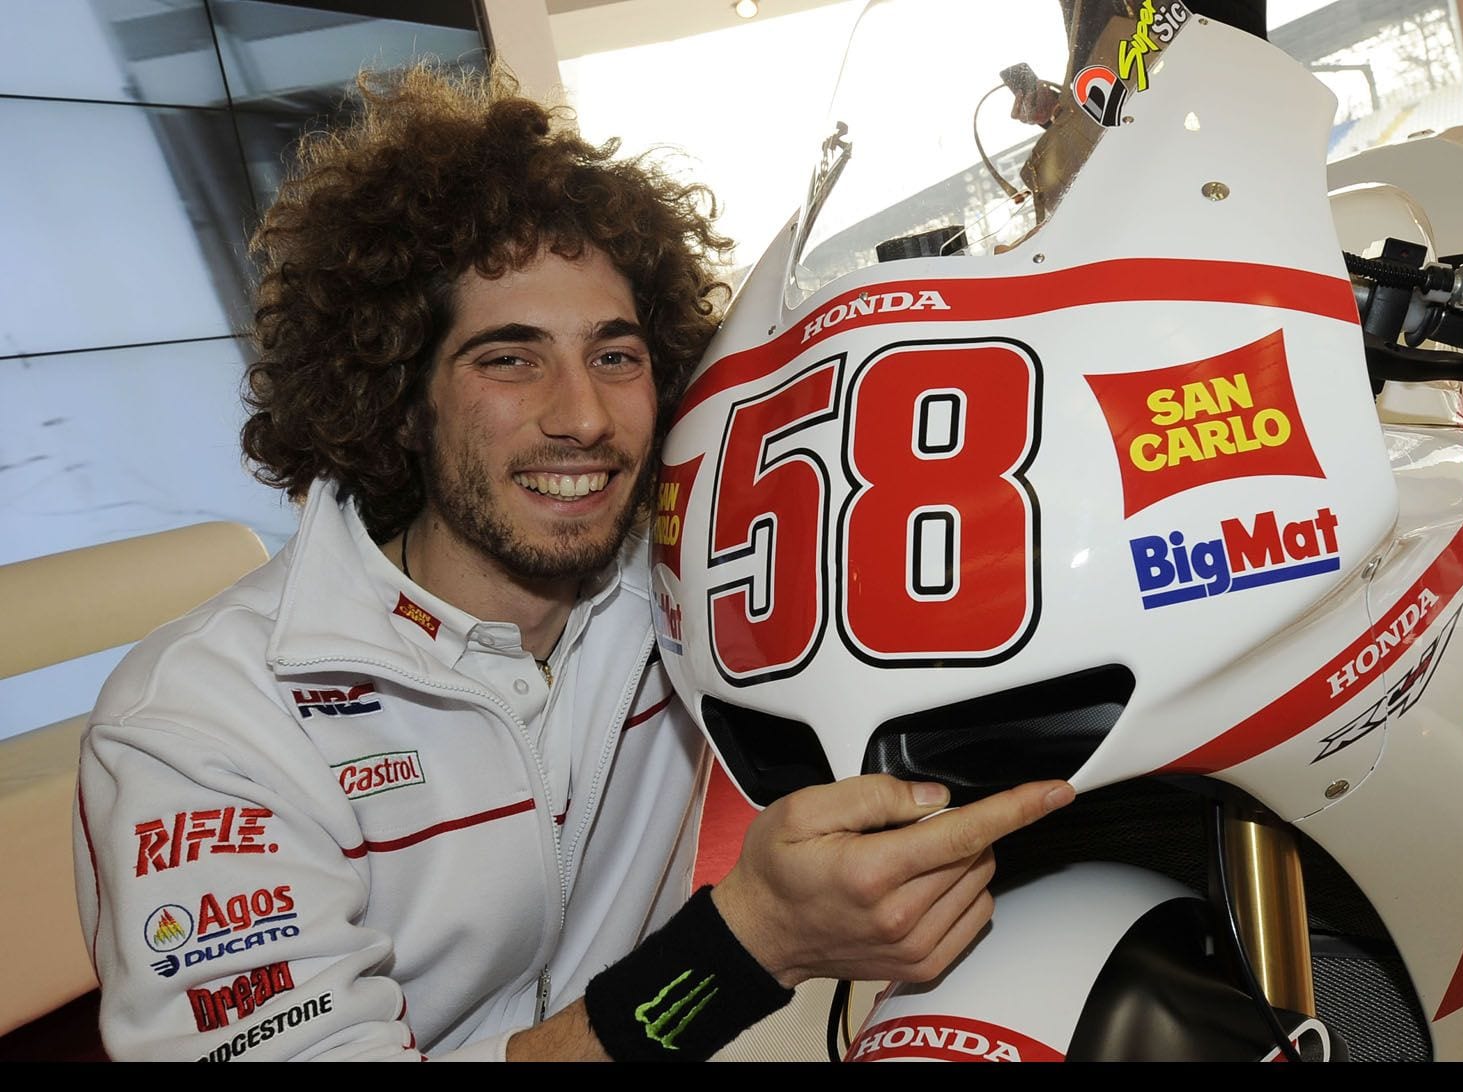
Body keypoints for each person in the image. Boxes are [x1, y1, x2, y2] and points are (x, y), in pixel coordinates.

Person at [70, 65, 1072, 1062]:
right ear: (399, 399)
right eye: (509, 358)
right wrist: (746, 949)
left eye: (616, 354)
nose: (583, 416)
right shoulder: (205, 723)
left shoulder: (683, 579)